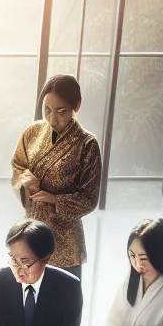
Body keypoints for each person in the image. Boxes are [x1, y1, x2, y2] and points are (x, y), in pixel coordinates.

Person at [10, 74, 102, 280]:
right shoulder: (31, 132)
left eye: (61, 112)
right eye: (47, 110)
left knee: (63, 304)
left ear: (76, 106)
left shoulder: (87, 144)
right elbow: (17, 165)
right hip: (30, 233)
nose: (53, 119)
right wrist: (25, 180)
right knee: (27, 299)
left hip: (65, 241)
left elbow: (89, 199)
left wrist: (54, 199)